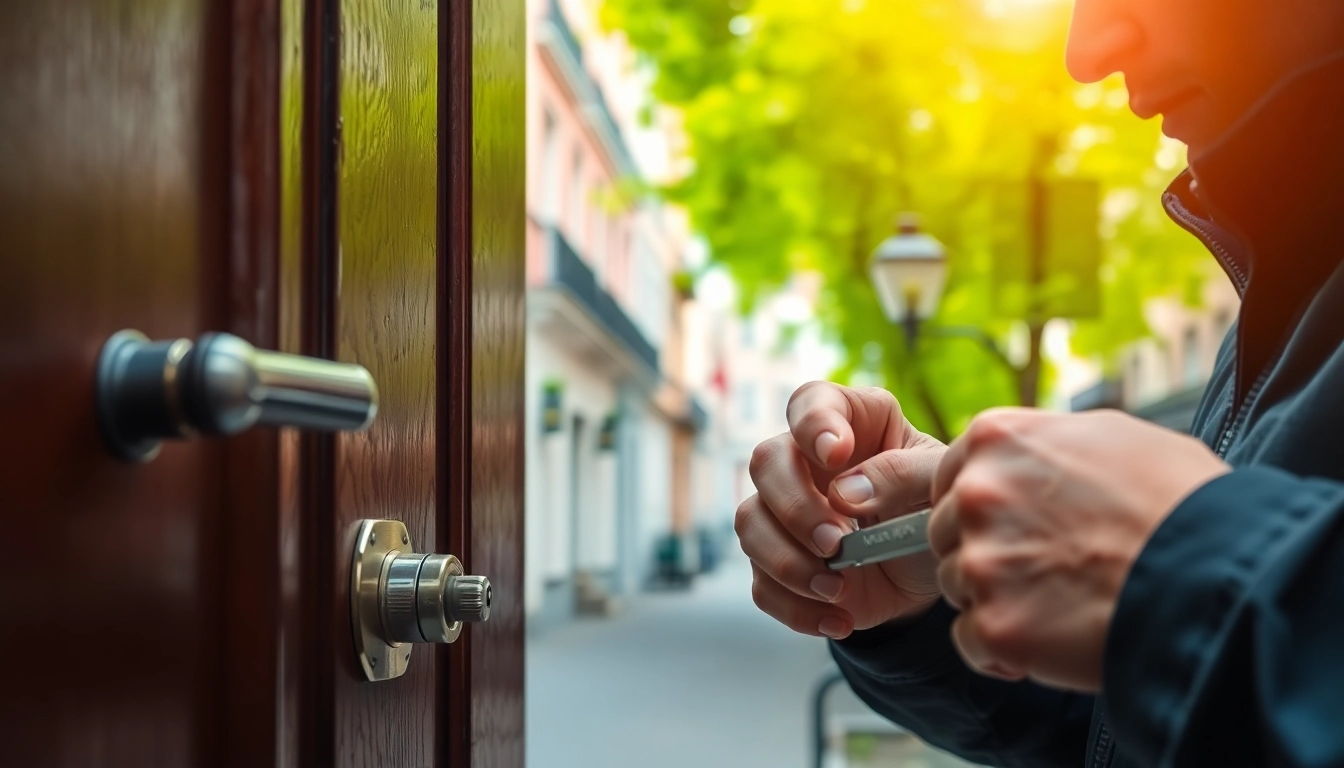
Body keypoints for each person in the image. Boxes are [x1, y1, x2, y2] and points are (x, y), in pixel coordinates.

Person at [734, 1, 1344, 766]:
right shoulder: (1280, 300)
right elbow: (1136, 734)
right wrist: (941, 600)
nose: (1087, 49)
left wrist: (1188, 575)